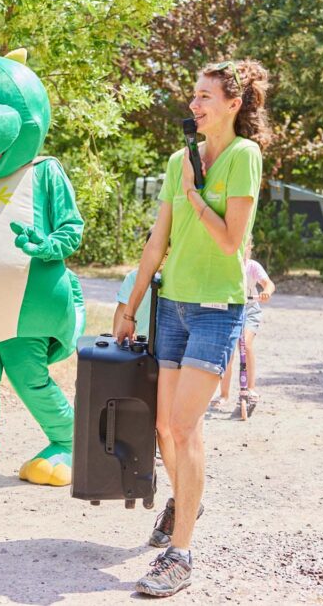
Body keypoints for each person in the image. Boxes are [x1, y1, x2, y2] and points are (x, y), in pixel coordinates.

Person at [115, 59, 269, 598]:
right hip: (172, 306)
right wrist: (130, 304)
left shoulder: (244, 156)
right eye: (194, 95)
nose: (195, 105)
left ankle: (180, 555)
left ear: (234, 104)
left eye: (206, 97)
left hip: (215, 308)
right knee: (163, 428)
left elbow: (231, 241)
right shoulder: (178, 157)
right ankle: (186, 498)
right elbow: (157, 242)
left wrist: (196, 193)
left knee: (184, 428)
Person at [212, 237, 275, 410]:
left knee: (246, 345)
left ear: (249, 248)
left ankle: (250, 389)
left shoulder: (252, 266)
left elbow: (268, 283)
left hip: (249, 310)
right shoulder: (226, 265)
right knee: (229, 352)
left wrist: (266, 292)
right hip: (230, 311)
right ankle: (224, 394)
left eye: (244, 247)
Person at [114, 232, 154, 339]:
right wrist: (115, 339)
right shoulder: (133, 277)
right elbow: (122, 309)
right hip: (138, 342)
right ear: (145, 247)